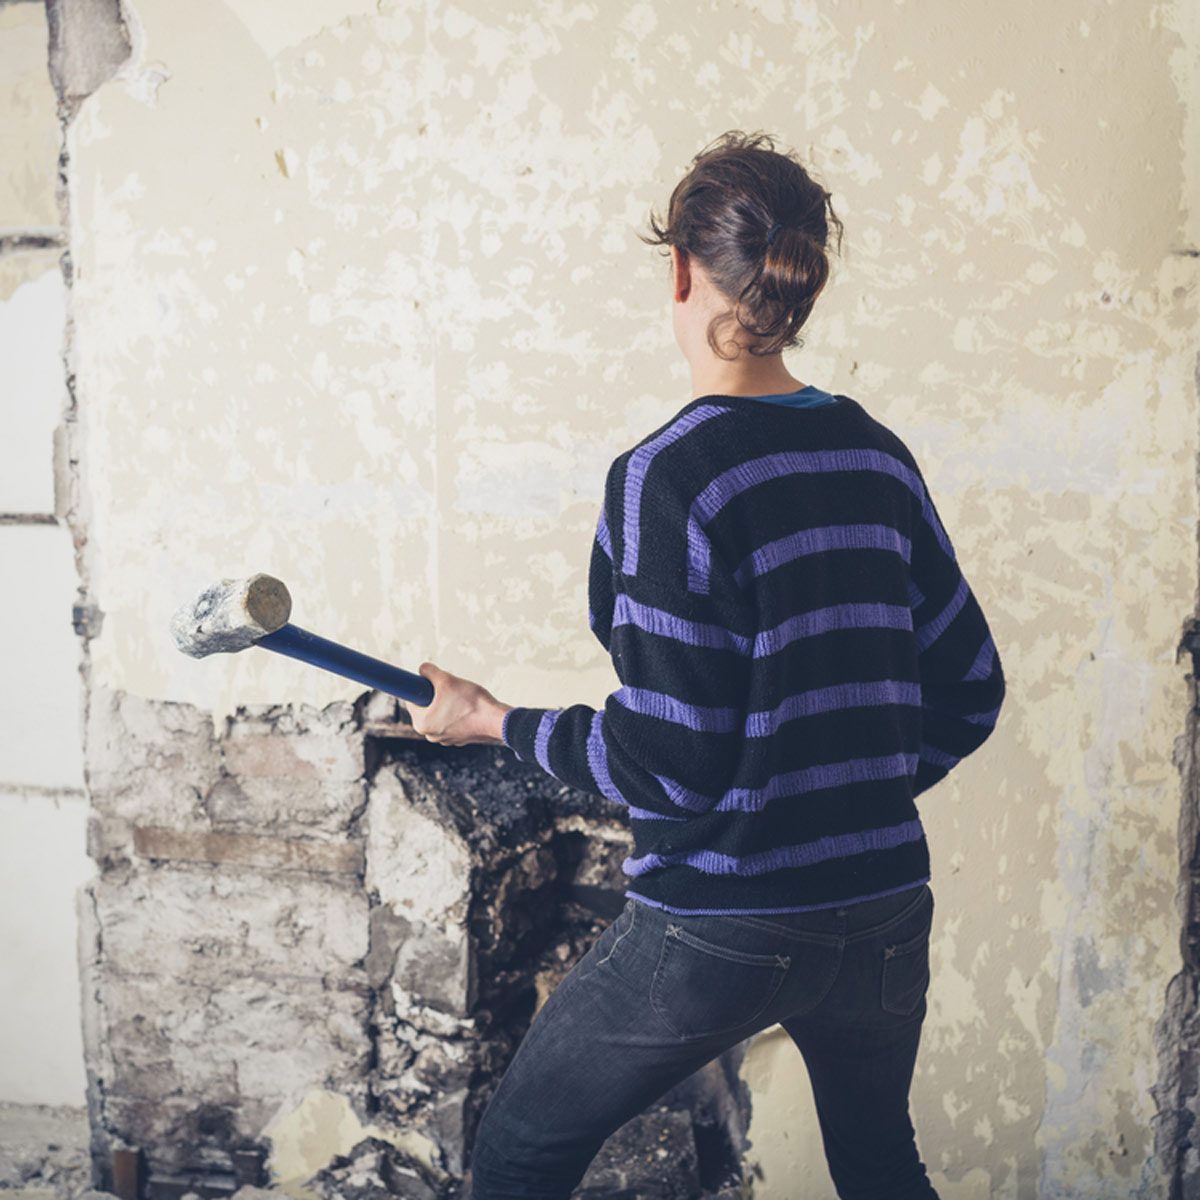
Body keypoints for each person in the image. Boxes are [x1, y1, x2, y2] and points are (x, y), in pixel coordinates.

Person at [408, 129, 1006, 1200]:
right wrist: (845, 785)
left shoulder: (666, 478)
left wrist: (492, 718)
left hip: (721, 923)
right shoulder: (875, 454)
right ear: (799, 278)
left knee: (518, 1154)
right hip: (882, 907)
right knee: (881, 1167)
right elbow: (971, 687)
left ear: (680, 270)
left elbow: (667, 764)